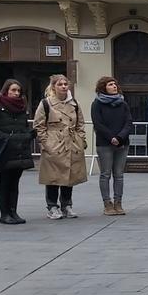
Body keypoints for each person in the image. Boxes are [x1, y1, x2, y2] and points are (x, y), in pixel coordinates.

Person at [33, 74, 87, 219]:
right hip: (54, 142)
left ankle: (67, 205)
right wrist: (46, 143)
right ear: (53, 87)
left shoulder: (74, 103)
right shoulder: (46, 103)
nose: (63, 86)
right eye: (60, 84)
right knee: (53, 177)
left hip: (71, 142)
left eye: (65, 84)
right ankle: (52, 206)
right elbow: (39, 125)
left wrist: (80, 139)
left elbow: (80, 124)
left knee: (69, 175)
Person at [0, 79, 33, 224]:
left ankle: (13, 211)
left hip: (19, 149)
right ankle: (4, 213)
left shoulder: (22, 108)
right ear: (6, 90)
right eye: (13, 90)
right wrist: (7, 137)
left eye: (18, 91)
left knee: (15, 182)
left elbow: (24, 126)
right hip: (5, 150)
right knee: (5, 181)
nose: (16, 93)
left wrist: (29, 134)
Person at [90, 76, 132, 215]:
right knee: (105, 174)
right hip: (105, 144)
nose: (114, 86)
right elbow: (98, 123)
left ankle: (118, 203)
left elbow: (128, 122)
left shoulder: (123, 103)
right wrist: (111, 137)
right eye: (110, 84)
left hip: (122, 143)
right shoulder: (97, 104)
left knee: (119, 174)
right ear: (103, 88)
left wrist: (120, 137)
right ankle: (107, 204)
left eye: (115, 84)